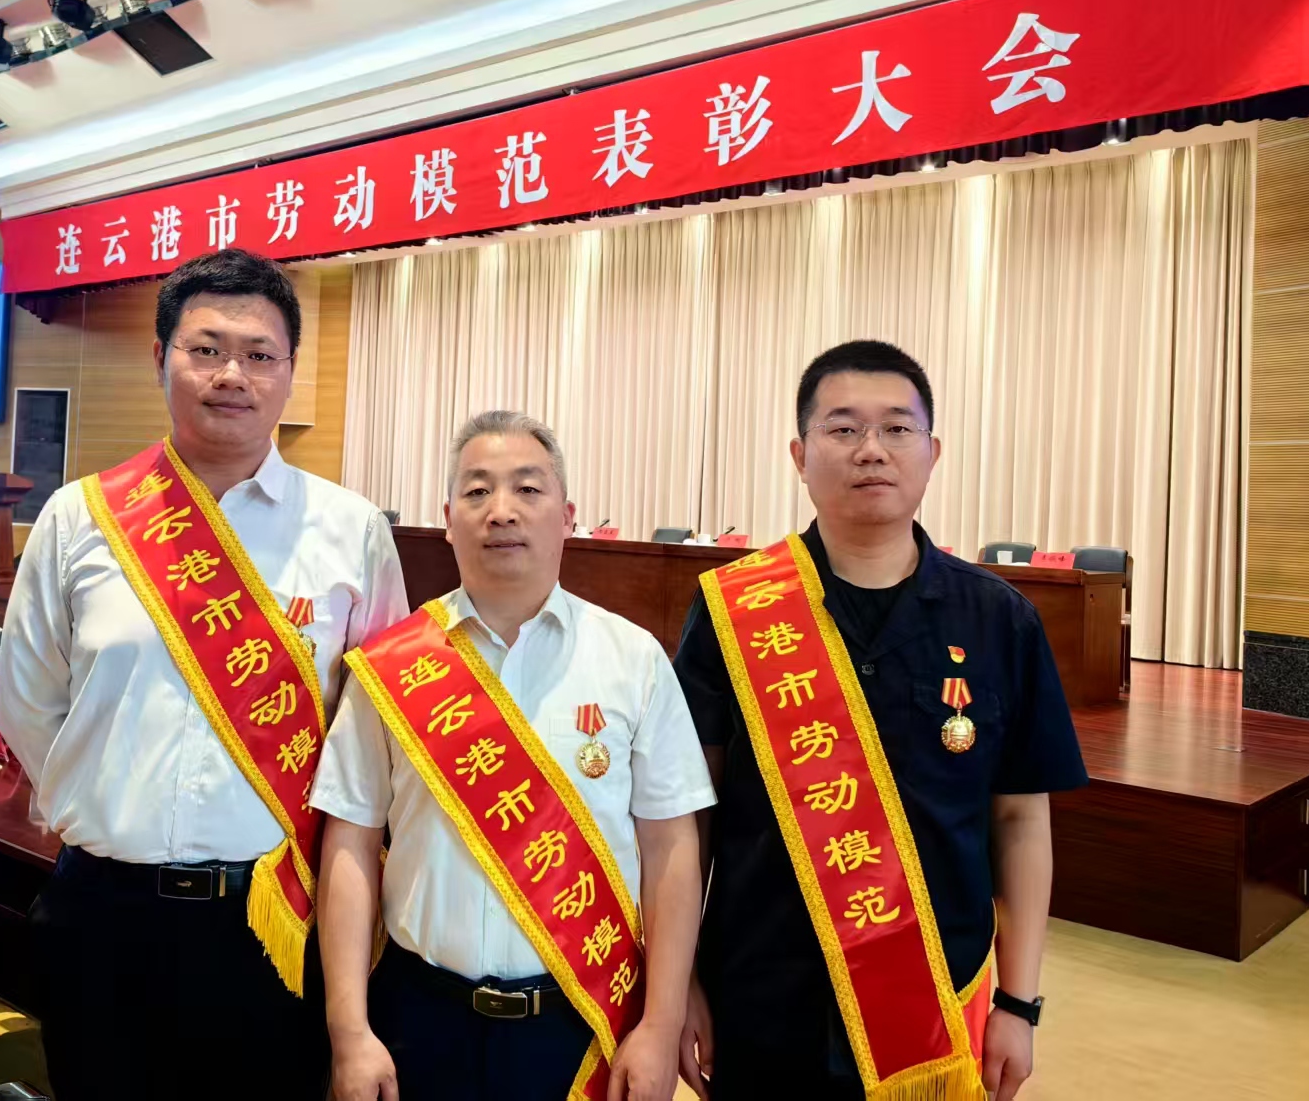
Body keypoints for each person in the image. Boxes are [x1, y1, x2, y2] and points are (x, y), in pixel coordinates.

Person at [0, 250, 409, 1101]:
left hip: (272, 923)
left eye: (259, 354)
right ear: (161, 358)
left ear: (290, 371)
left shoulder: (351, 530)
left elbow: (374, 738)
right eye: (206, 349)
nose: (232, 375)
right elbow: (30, 704)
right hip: (103, 916)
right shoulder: (79, 519)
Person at [674, 340, 1088, 1101]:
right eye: (843, 429)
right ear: (800, 455)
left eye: (898, 428)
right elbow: (689, 817)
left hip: (936, 1010)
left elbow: (1021, 821)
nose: (871, 449)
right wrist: (680, 984)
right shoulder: (732, 613)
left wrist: (1019, 1002)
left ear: (933, 452)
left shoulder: (1000, 621)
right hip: (760, 1003)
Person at [314, 410, 715, 1101]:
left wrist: (660, 1022)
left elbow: (671, 845)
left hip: (581, 1024)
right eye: (477, 491)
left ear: (568, 516)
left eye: (528, 489)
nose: (501, 510)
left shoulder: (632, 659)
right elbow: (350, 842)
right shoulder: (389, 666)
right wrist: (350, 1030)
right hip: (418, 1019)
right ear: (448, 520)